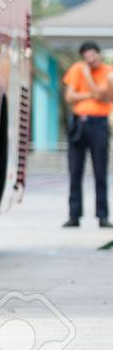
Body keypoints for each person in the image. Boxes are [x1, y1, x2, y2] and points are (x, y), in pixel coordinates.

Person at [62, 41, 111, 228]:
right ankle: (74, 215)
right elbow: (69, 97)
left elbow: (102, 96)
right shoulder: (76, 69)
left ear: (99, 54)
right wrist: (90, 94)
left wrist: (87, 77)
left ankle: (103, 216)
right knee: (75, 170)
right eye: (87, 57)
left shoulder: (108, 72)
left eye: (93, 55)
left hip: (99, 124)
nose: (91, 59)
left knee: (100, 171)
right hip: (78, 123)